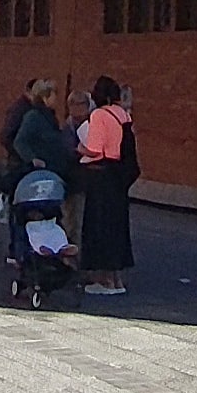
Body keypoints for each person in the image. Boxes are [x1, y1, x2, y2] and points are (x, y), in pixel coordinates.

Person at [74, 77, 139, 293]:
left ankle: (103, 281)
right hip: (120, 176)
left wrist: (79, 148)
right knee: (117, 227)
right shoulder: (123, 115)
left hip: (102, 177)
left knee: (99, 227)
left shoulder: (100, 115)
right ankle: (117, 279)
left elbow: (95, 148)